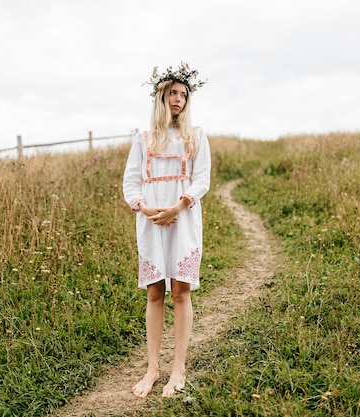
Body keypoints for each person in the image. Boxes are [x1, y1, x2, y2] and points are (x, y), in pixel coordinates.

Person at [123, 62, 210, 398]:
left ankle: (178, 368)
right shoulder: (142, 140)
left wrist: (178, 205)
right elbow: (131, 182)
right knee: (155, 292)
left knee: (180, 292)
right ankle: (153, 368)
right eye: (173, 93)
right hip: (151, 221)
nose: (178, 99)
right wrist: (145, 208)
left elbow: (202, 178)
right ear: (160, 97)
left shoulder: (196, 136)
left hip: (183, 219)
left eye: (183, 94)